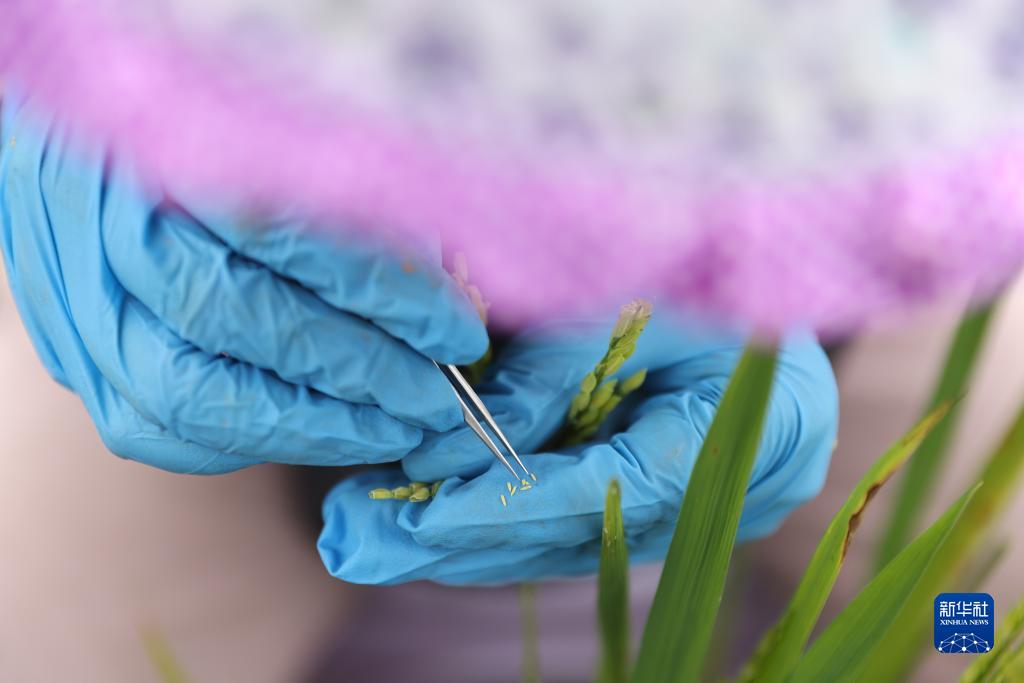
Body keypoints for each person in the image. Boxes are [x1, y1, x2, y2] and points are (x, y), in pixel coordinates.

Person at [0, 86, 837, 659]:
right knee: (48, 618)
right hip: (217, 164)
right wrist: (56, 90)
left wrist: (770, 270)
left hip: (805, 157)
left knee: (965, 620)